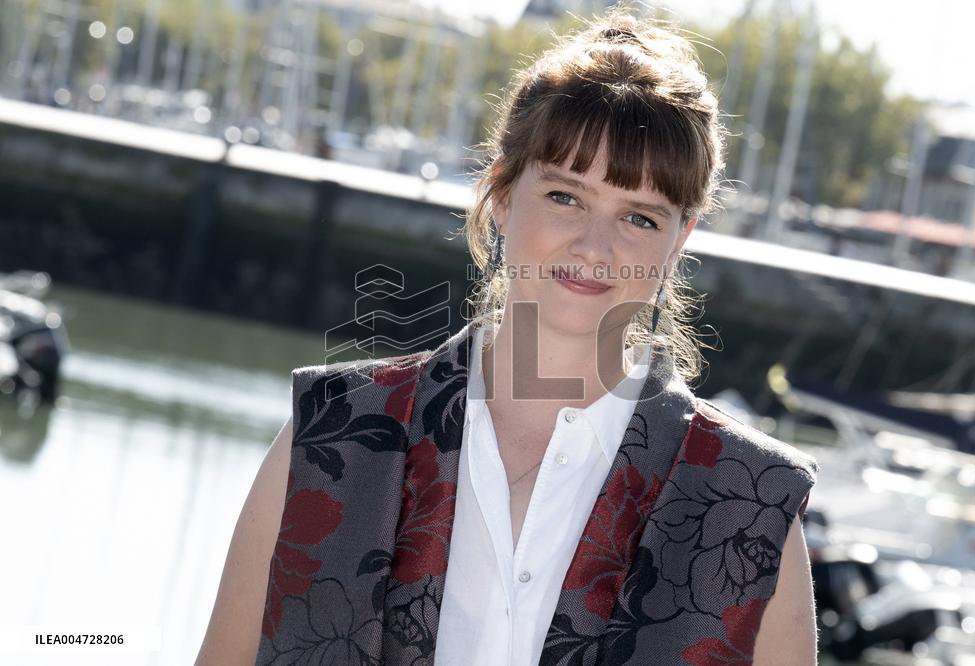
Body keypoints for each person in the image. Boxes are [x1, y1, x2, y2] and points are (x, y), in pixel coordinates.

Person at [196, 6, 819, 666]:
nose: (595, 245)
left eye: (638, 216)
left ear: (679, 239)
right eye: (565, 196)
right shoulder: (332, 436)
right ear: (500, 194)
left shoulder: (752, 505)